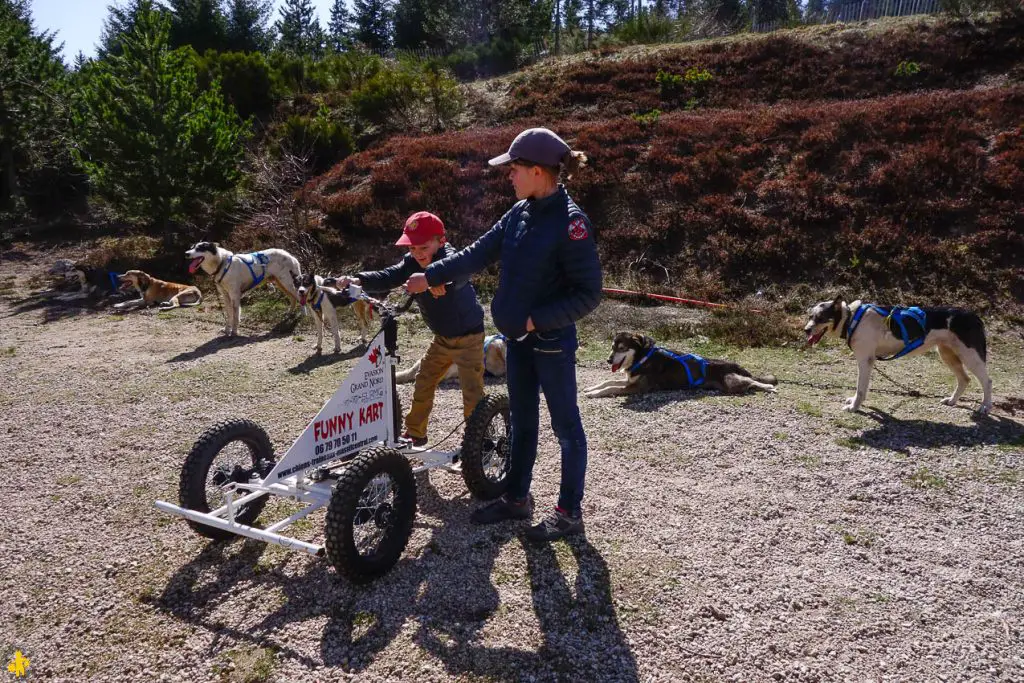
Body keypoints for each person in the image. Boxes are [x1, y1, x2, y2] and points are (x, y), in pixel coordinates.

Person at [404, 128, 602, 542]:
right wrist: (430, 275)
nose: (508, 176)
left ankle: (568, 513)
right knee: (523, 423)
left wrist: (534, 321)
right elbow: (477, 253)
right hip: (517, 343)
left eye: (513, 169)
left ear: (536, 171)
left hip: (549, 343)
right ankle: (517, 499)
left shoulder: (572, 223)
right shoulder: (520, 213)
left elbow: (589, 294)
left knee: (566, 429)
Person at [336, 211, 485, 447]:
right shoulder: (412, 261)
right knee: (423, 380)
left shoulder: (450, 259)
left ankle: (478, 442)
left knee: (472, 391)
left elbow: (461, 273)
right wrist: (359, 280)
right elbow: (389, 275)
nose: (417, 253)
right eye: (412, 248)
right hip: (441, 339)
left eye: (423, 247)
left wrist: (435, 280)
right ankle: (416, 432)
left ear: (441, 241)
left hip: (469, 338)